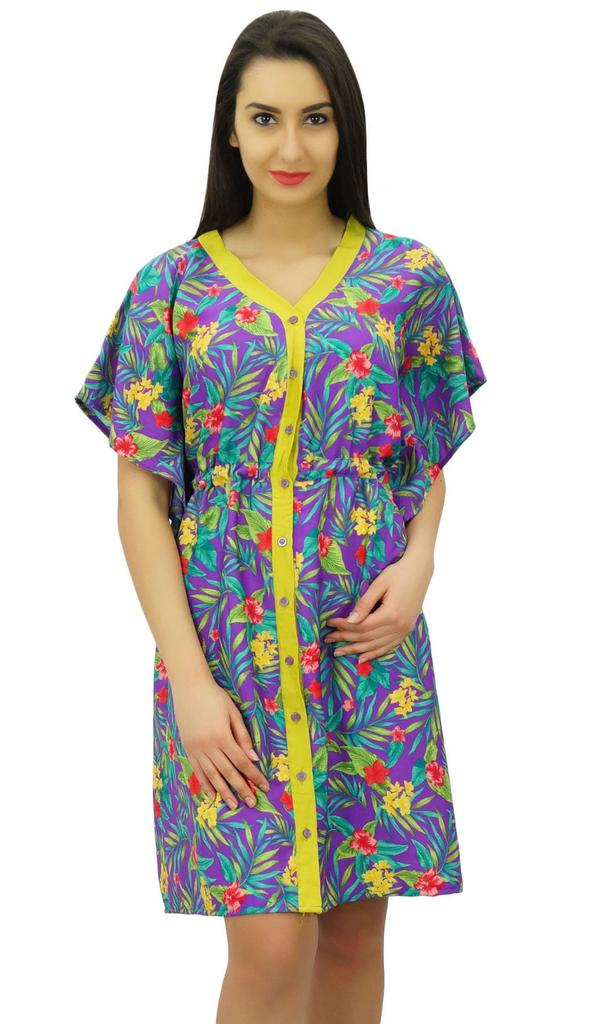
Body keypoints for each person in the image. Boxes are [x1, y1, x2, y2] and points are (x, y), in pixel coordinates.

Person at [74, 10, 487, 1024]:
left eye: (315, 118)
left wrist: (421, 564)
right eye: (264, 118)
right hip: (229, 658)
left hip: (366, 647)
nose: (289, 146)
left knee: (351, 932)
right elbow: (139, 496)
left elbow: (422, 456)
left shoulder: (407, 278)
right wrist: (190, 681)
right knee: (269, 942)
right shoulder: (171, 288)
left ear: (346, 127)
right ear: (230, 127)